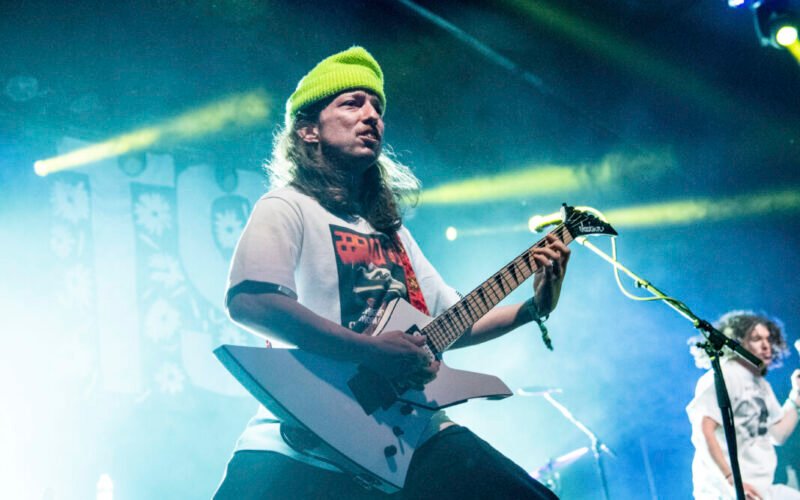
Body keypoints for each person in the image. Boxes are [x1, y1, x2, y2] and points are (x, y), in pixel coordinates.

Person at [213, 46, 570, 499]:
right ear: (308, 130)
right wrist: (370, 350)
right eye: (352, 103)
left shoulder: (393, 232)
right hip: (303, 437)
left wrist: (534, 308)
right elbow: (252, 302)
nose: (372, 116)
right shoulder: (287, 206)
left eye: (377, 108)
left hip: (405, 432)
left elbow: (452, 321)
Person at [687, 310, 800, 500]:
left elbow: (777, 435)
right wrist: (732, 480)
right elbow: (703, 430)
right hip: (724, 491)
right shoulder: (725, 375)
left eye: (768, 339)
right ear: (737, 341)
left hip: (760, 489)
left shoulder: (761, 384)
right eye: (756, 339)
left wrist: (797, 395)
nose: (766, 345)